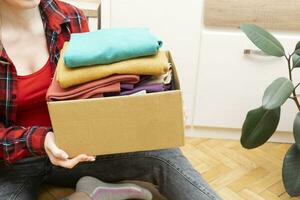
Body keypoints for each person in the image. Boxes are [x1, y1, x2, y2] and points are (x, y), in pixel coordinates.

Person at [0, 0, 221, 199]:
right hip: (15, 162)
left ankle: (89, 190)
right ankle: (90, 193)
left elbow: (96, 91)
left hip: (80, 150)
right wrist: (42, 139)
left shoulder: (70, 18)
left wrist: (157, 109)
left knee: (164, 154)